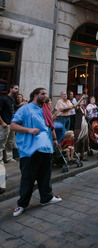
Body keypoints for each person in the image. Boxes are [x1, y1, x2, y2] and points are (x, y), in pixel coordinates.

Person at [10, 87, 62, 217]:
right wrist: (29, 130)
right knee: (28, 178)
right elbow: (13, 125)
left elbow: (51, 126)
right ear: (35, 95)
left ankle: (46, 198)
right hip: (30, 150)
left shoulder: (46, 109)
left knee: (45, 176)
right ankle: (22, 204)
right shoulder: (25, 109)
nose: (45, 96)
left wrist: (55, 139)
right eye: (42, 94)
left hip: (46, 147)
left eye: (45, 94)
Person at [0, 84, 19, 164]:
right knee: (1, 142)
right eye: (15, 88)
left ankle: (8, 158)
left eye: (17, 89)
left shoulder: (13, 100)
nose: (17, 90)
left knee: (10, 142)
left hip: (12, 124)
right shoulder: (3, 99)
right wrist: (2, 122)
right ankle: (0, 159)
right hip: (4, 123)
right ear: (10, 89)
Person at [74, 97, 89, 161]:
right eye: (82, 101)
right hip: (78, 126)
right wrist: (80, 99)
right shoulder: (78, 109)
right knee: (78, 141)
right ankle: (76, 155)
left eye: (84, 101)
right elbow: (75, 106)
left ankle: (82, 156)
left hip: (85, 127)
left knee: (84, 141)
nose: (83, 102)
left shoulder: (85, 109)